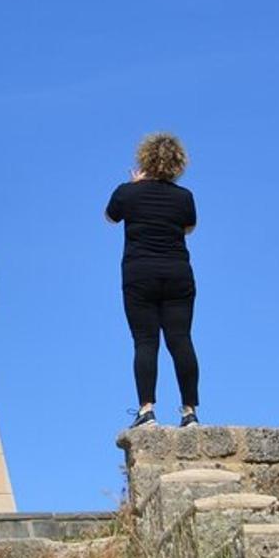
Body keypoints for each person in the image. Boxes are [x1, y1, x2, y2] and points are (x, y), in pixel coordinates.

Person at [105, 132, 201, 429]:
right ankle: (190, 412)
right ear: (177, 164)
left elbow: (110, 217)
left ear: (144, 159)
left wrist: (135, 187)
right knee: (181, 340)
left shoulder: (127, 192)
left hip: (139, 274)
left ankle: (147, 410)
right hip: (177, 274)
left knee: (145, 341)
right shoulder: (184, 197)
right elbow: (189, 229)